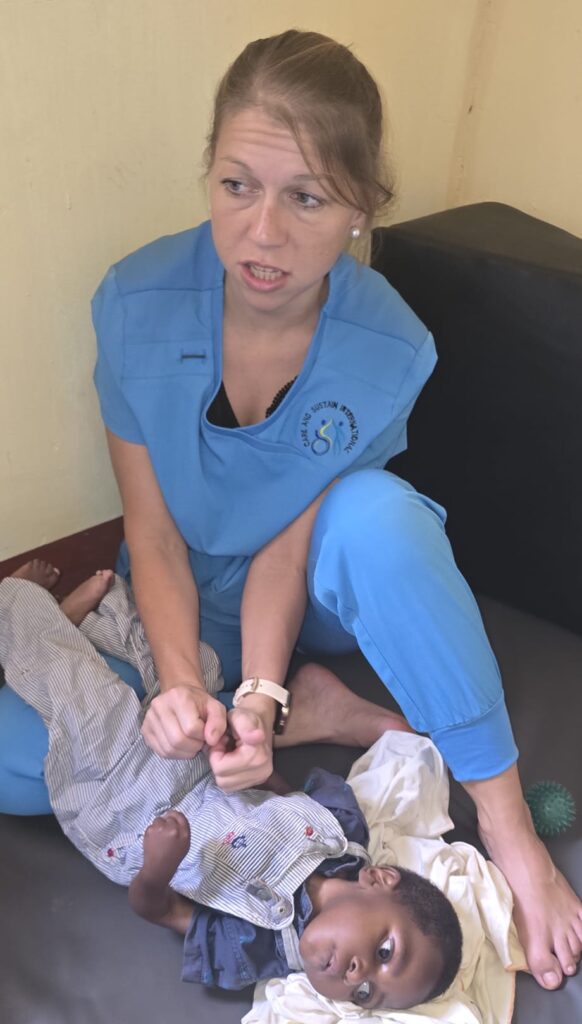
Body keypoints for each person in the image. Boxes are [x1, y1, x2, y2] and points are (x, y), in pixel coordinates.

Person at [0, 27, 580, 991]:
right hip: (181, 596)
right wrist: (182, 687)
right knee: (22, 763)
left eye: (306, 197)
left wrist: (259, 694)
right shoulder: (134, 304)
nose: (261, 234)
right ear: (210, 174)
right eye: (238, 186)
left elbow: (289, 541)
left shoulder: (390, 344)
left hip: (304, 585)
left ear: (361, 208)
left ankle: (508, 818)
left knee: (377, 517)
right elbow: (152, 532)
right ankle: (337, 714)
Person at [0, 563, 462, 1011]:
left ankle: (17, 603)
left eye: (364, 995)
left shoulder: (255, 947)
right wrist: (244, 756)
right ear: (379, 879)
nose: (357, 975)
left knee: (89, 703)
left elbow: (159, 910)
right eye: (385, 952)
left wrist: (160, 863)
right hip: (198, 770)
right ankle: (65, 624)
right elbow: (284, 798)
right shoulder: (342, 833)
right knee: (199, 667)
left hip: (128, 807)